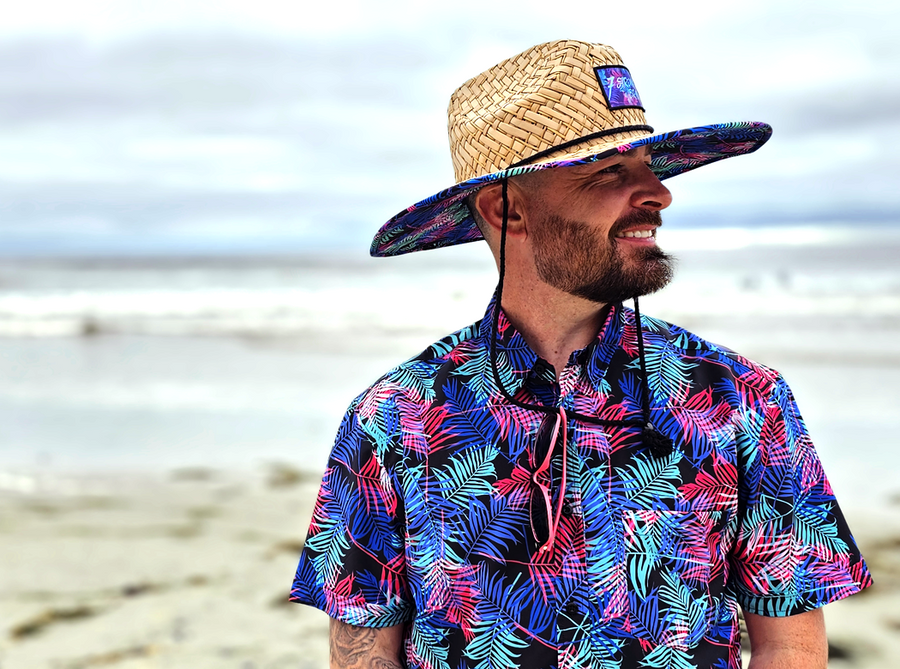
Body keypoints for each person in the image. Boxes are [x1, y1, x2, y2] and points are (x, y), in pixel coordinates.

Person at [290, 40, 872, 669]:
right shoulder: (394, 421)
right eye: (609, 171)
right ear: (505, 210)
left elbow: (789, 642)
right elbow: (362, 652)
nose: (658, 193)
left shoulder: (740, 401)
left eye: (648, 165)